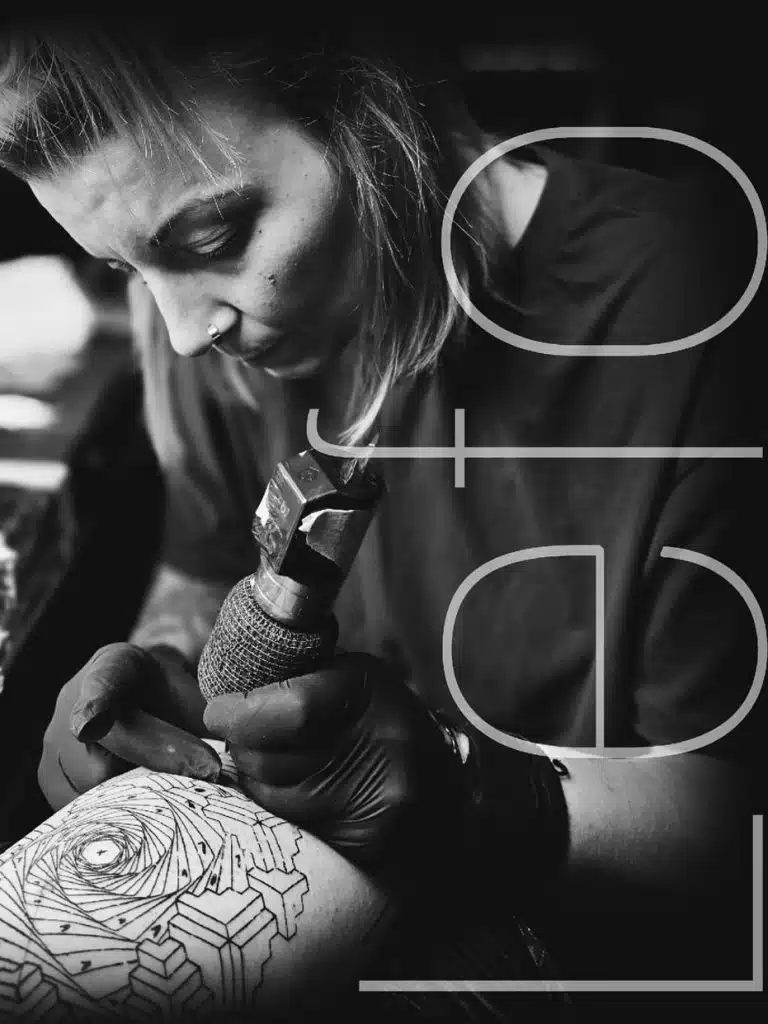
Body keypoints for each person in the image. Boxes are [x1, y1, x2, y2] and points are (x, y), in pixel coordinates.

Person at [0, 16, 762, 1020]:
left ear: (373, 99)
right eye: (125, 270)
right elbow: (201, 566)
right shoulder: (206, 317)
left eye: (215, 237)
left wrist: (485, 795)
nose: (184, 330)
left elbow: (737, 835)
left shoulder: (704, 316)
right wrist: (167, 668)